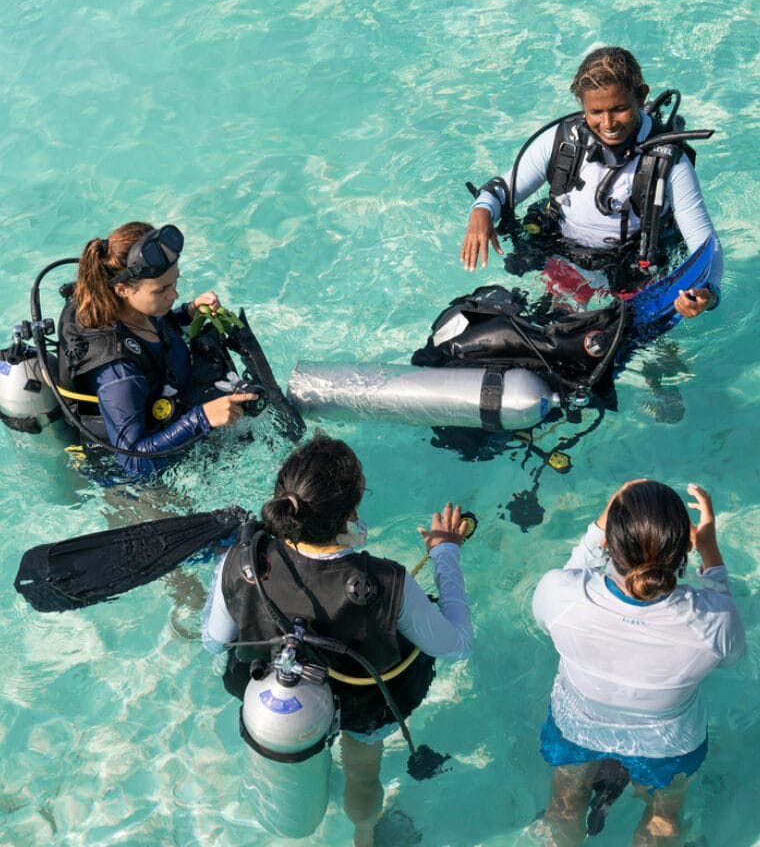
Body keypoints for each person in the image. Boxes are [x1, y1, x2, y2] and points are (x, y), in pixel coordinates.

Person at [202, 434, 473, 846]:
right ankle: (363, 834)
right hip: (363, 711)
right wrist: (445, 553)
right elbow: (457, 646)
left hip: (278, 705)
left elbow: (214, 642)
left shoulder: (241, 563)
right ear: (353, 511)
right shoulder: (388, 583)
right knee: (363, 774)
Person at [531, 480, 745, 846]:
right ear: (685, 552)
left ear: (609, 545)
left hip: (579, 727)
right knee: (664, 815)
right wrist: (711, 555)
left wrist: (597, 530)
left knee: (563, 808)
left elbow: (567, 583)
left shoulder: (558, 595)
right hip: (668, 743)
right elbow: (732, 659)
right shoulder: (714, 623)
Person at [461, 47, 723, 318]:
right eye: (595, 111)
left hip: (634, 264)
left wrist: (708, 293)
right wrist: (481, 211)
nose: (608, 123)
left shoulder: (670, 164)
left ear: (641, 95)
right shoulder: (562, 142)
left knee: (644, 341)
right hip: (568, 252)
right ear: (582, 104)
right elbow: (501, 190)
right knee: (547, 320)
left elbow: (706, 244)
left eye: (619, 108)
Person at [58, 221, 258, 478]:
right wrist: (202, 419)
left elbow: (152, 331)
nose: (173, 294)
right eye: (162, 289)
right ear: (122, 290)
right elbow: (134, 463)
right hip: (133, 483)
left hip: (171, 405)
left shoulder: (127, 306)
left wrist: (187, 313)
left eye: (174, 282)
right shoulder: (118, 374)